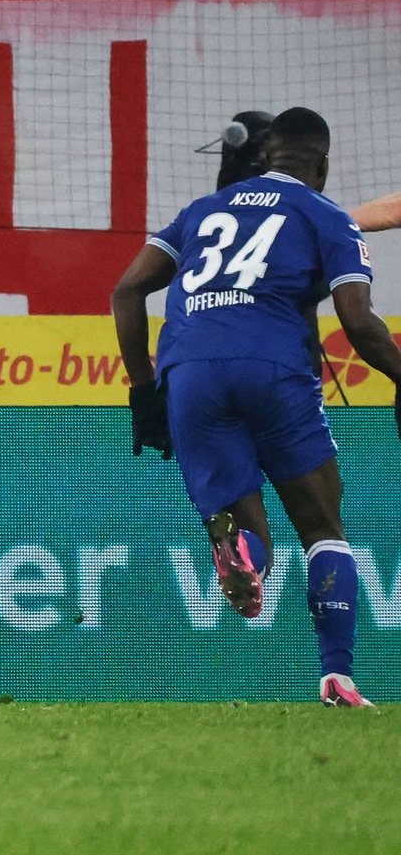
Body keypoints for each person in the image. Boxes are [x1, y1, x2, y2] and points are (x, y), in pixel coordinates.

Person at [111, 107, 401, 707]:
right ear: (321, 163)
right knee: (322, 526)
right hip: (274, 370)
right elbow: (359, 323)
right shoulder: (325, 217)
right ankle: (337, 675)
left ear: (263, 155)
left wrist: (143, 392)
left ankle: (239, 552)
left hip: (188, 374)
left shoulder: (199, 212)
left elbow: (127, 289)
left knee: (244, 527)